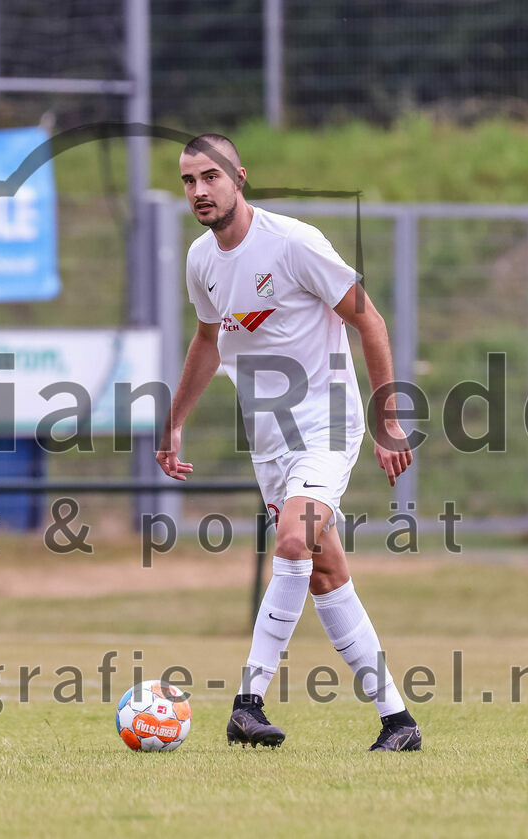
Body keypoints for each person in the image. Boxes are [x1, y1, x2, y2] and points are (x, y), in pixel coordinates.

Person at [157, 134, 421, 752]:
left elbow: (369, 320)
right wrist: (173, 422)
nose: (199, 191)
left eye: (210, 178)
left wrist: (388, 420)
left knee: (295, 537)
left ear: (239, 177)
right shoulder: (201, 260)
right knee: (324, 572)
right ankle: (398, 722)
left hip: (326, 423)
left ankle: (246, 702)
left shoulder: (294, 243)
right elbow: (207, 342)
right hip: (270, 439)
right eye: (189, 181)